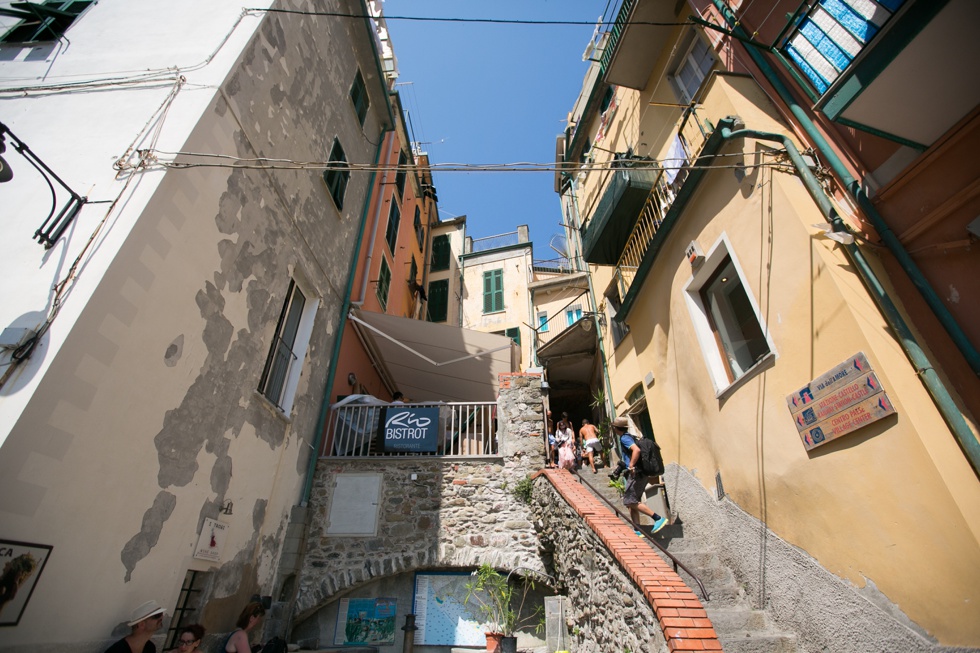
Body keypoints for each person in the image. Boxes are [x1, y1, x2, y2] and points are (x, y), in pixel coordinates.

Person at [612, 416, 668, 536]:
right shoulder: (630, 436)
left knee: (629, 501)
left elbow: (636, 450)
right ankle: (637, 529)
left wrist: (631, 465)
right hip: (641, 473)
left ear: (616, 428)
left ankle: (658, 518)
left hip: (636, 473)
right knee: (633, 502)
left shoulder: (624, 438)